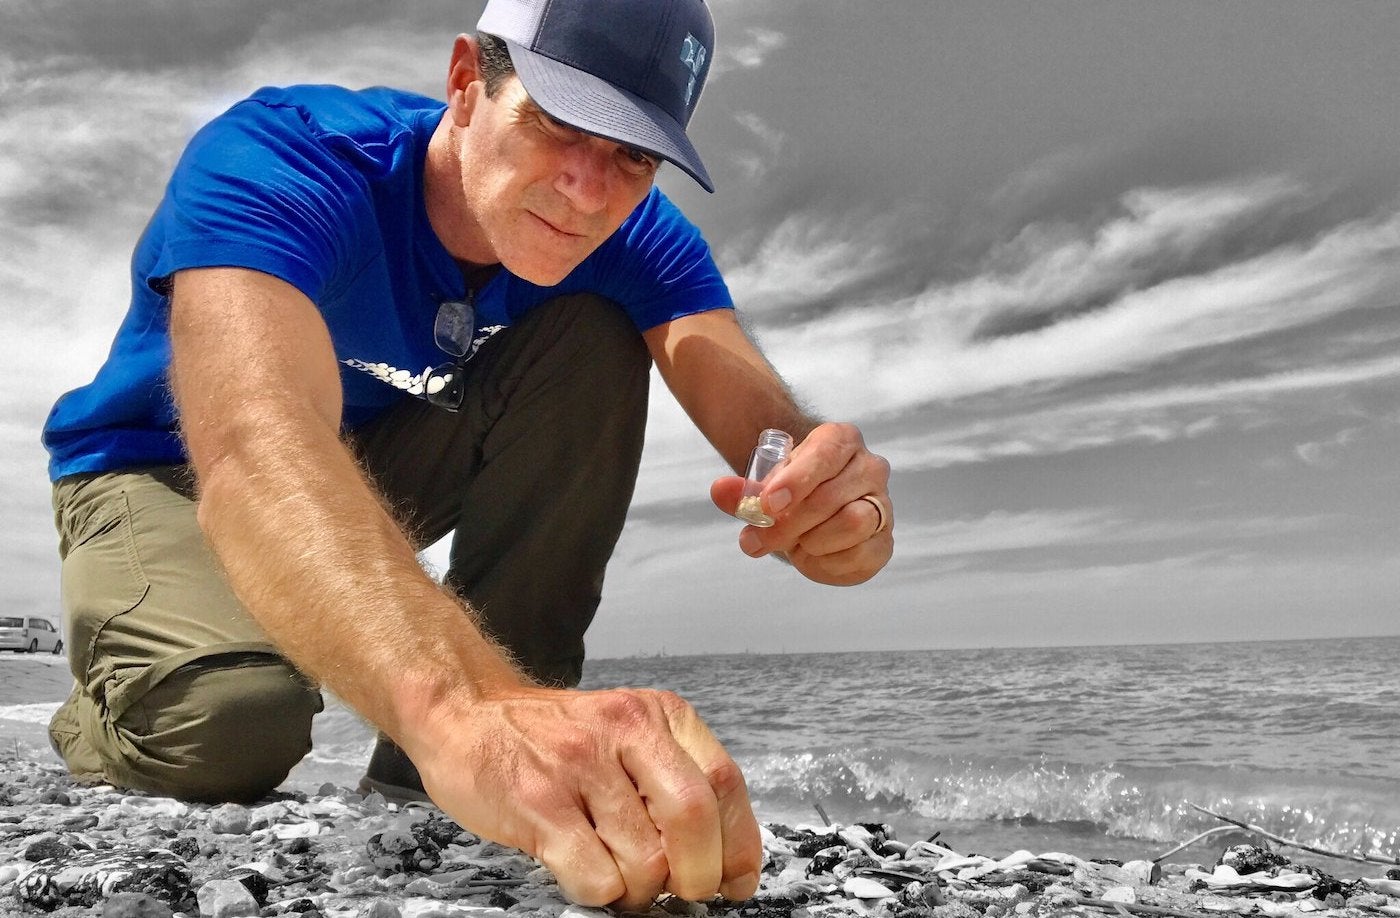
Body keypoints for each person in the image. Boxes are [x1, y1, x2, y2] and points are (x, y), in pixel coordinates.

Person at [40, 0, 893, 908]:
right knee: (228, 728)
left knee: (596, 333)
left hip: (362, 463)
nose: (589, 190)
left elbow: (763, 424)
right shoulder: (287, 156)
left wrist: (828, 498)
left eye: (633, 157)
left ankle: (466, 762)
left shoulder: (627, 237)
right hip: (159, 470)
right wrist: (455, 710)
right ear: (463, 83)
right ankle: (111, 712)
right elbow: (256, 442)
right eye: (559, 124)